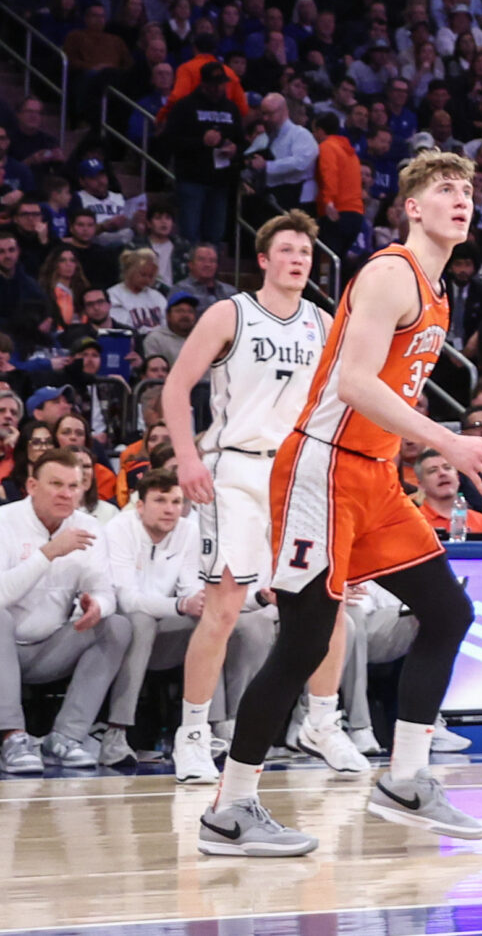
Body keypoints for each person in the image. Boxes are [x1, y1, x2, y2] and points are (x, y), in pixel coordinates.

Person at [203, 151, 482, 856]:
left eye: (467, 190)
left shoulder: (437, 292)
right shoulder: (389, 273)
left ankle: (407, 779)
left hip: (374, 476)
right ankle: (231, 808)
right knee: (306, 640)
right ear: (412, 206)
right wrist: (450, 442)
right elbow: (353, 383)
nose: (460, 199)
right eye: (444, 189)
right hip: (323, 468)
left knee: (448, 611)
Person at [161, 212, 363, 783]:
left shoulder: (324, 324)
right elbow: (176, 387)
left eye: (306, 251)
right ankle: (194, 736)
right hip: (237, 473)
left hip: (300, 474)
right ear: (265, 259)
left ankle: (323, 721)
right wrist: (187, 456)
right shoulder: (231, 313)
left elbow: (344, 403)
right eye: (289, 249)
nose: (300, 258)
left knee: (330, 603)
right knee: (224, 607)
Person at [0, 449, 130, 770]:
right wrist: (48, 553)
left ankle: (66, 738)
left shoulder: (88, 527)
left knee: (118, 626)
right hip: (5, 648)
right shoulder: (5, 521)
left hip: (49, 647)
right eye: (56, 484)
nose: (66, 493)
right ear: (32, 485)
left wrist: (96, 606)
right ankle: (12, 737)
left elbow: (105, 590)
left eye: (74, 486)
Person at [100, 466, 205, 765]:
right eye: (160, 501)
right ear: (140, 504)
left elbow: (191, 587)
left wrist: (195, 603)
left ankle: (207, 730)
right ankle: (115, 734)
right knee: (141, 622)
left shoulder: (189, 530)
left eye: (176, 502)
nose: (171, 509)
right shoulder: (119, 528)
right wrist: (179, 605)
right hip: (118, 629)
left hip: (164, 627)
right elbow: (128, 600)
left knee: (209, 624)